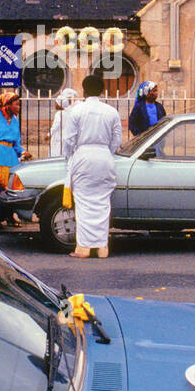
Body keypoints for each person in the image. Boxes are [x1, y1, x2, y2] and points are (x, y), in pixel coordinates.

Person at [62, 75, 122, 259]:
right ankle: (102, 247)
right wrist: (106, 152)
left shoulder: (77, 111)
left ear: (84, 90)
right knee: (103, 203)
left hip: (83, 156)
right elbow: (117, 140)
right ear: (102, 90)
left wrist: (70, 156)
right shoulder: (111, 112)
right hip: (104, 157)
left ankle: (84, 248)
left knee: (83, 203)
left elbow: (68, 140)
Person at [0, 92, 33, 224]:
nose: (18, 107)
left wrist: (23, 152)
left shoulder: (15, 121)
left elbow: (16, 143)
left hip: (11, 160)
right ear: (7, 105)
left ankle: (9, 217)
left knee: (11, 190)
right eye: (16, 104)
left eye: (19, 105)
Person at [47, 88, 79, 157]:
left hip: (58, 136)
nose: (55, 105)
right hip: (66, 136)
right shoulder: (70, 112)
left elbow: (56, 126)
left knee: (56, 152)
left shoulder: (59, 114)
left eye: (56, 103)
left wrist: (49, 134)